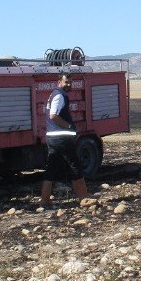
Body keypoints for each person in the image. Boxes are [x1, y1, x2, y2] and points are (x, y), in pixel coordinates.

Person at [40, 73, 89, 209]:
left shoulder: (54, 94)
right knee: (74, 165)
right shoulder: (60, 96)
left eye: (70, 82)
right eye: (66, 82)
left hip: (52, 137)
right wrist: (68, 125)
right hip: (61, 137)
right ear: (59, 82)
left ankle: (44, 201)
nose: (69, 85)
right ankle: (84, 198)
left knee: (51, 168)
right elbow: (53, 115)